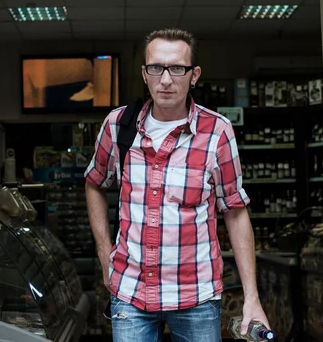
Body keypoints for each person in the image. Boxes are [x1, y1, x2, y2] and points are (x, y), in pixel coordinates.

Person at [85, 28, 269, 341]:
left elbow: (235, 211)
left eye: (177, 69)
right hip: (130, 293)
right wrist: (105, 254)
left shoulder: (217, 132)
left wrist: (252, 297)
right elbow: (94, 184)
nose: (166, 79)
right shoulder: (118, 126)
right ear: (145, 74)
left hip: (195, 294)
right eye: (156, 68)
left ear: (194, 75)